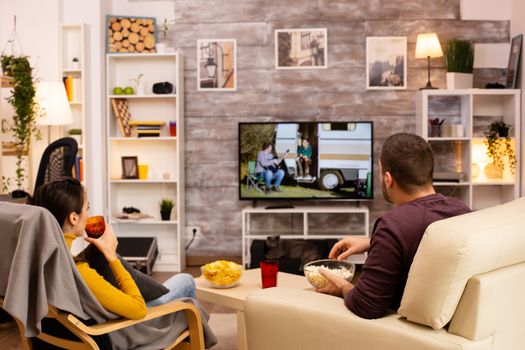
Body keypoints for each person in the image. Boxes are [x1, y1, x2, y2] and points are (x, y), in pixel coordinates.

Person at [316, 133, 471, 319]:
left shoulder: (393, 225)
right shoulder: (463, 211)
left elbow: (366, 306)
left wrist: (342, 285)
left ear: (388, 179)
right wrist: (374, 242)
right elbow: (429, 238)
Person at [32, 177, 196, 320]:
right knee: (186, 281)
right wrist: (112, 257)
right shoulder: (77, 270)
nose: (88, 215)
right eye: (87, 208)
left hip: (80, 327)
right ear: (74, 218)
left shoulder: (39, 257)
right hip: (119, 329)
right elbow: (138, 310)